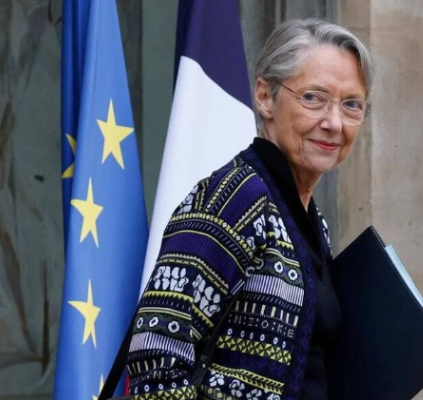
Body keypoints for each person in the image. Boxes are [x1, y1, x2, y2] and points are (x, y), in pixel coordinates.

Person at [125, 19, 374, 400]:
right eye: (313, 98)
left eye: (351, 105)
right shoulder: (233, 199)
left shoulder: (307, 219)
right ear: (264, 96)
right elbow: (158, 359)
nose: (334, 122)